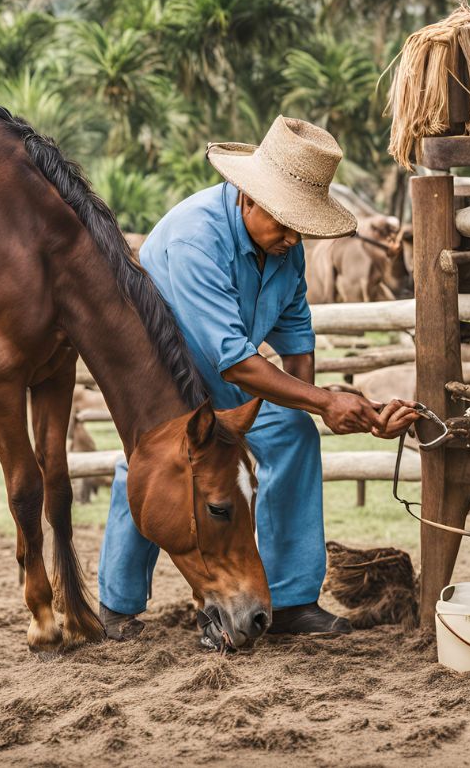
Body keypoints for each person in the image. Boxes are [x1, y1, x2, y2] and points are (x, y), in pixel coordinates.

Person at [98, 115, 419, 645]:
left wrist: (320, 407)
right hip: (160, 378)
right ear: (248, 198)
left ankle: (291, 599)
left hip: (229, 371)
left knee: (291, 434)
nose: (294, 238)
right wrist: (324, 401)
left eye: (301, 226)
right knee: (154, 463)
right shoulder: (195, 238)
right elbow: (233, 360)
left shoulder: (284, 249)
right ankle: (118, 604)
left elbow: (296, 334)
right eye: (285, 222)